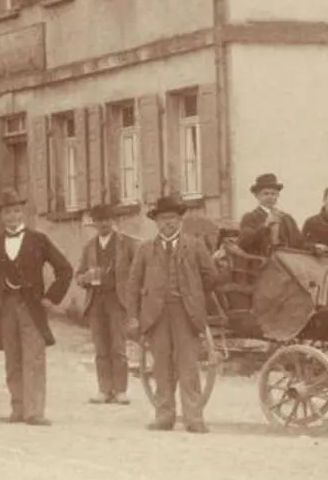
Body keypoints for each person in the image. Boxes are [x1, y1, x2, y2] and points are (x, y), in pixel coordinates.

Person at [0, 195, 72, 425]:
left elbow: (64, 269)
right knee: (13, 358)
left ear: (23, 213)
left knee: (33, 357)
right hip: (5, 307)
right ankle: (18, 408)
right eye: (7, 212)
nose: (12, 217)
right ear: (1, 216)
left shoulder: (39, 240)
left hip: (31, 307)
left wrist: (51, 298)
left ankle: (34, 412)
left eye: (16, 211)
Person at [130, 193, 218, 434]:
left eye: (173, 218)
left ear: (180, 220)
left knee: (188, 365)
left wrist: (194, 295)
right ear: (156, 222)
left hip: (186, 313)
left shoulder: (195, 246)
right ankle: (164, 416)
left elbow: (211, 276)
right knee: (161, 366)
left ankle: (194, 418)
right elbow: (133, 283)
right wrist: (135, 314)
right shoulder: (145, 249)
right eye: (163, 219)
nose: (168, 223)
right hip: (156, 315)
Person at [74, 203, 134, 404]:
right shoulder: (89, 247)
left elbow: (136, 272)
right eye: (100, 220)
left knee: (118, 346)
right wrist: (86, 277)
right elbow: (78, 276)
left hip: (117, 301)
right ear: (94, 223)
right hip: (96, 301)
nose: (104, 224)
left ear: (114, 221)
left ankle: (120, 390)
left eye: (108, 219)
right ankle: (104, 389)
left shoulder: (126, 244)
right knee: (100, 347)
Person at [237, 172, 304, 257]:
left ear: (277, 196)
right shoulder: (250, 217)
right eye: (266, 194)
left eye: (273, 194)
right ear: (257, 196)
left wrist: (314, 247)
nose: (270, 197)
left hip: (286, 262)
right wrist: (265, 226)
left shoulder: (286, 218)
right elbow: (244, 243)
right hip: (262, 263)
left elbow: (299, 242)